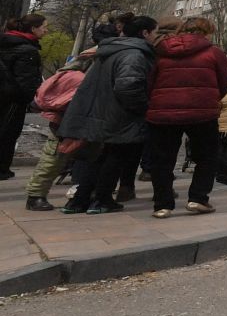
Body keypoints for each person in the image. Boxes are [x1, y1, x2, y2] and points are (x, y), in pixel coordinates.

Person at [59, 16, 160, 214]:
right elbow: (127, 86)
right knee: (115, 156)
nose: (157, 37)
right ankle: (102, 199)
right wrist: (142, 107)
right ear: (145, 33)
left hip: (100, 109)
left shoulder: (111, 49)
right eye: (155, 32)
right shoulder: (134, 54)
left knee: (98, 156)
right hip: (119, 114)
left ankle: (80, 200)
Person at [145, 16, 227, 217]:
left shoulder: (160, 51)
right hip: (202, 112)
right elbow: (223, 82)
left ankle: (162, 205)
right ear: (207, 32)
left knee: (162, 159)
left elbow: (150, 81)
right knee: (207, 156)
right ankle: (198, 199)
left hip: (163, 112)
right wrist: (211, 98)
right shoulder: (214, 52)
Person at [24, 49, 90, 211]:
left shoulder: (70, 73)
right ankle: (35, 195)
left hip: (63, 121)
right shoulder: (79, 78)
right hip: (67, 122)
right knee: (53, 158)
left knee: (55, 158)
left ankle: (36, 195)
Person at [0, 12, 48, 179]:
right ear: (33, 29)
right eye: (44, 27)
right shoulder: (27, 50)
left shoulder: (7, 42)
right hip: (12, 102)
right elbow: (26, 83)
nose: (46, 31)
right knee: (7, 136)